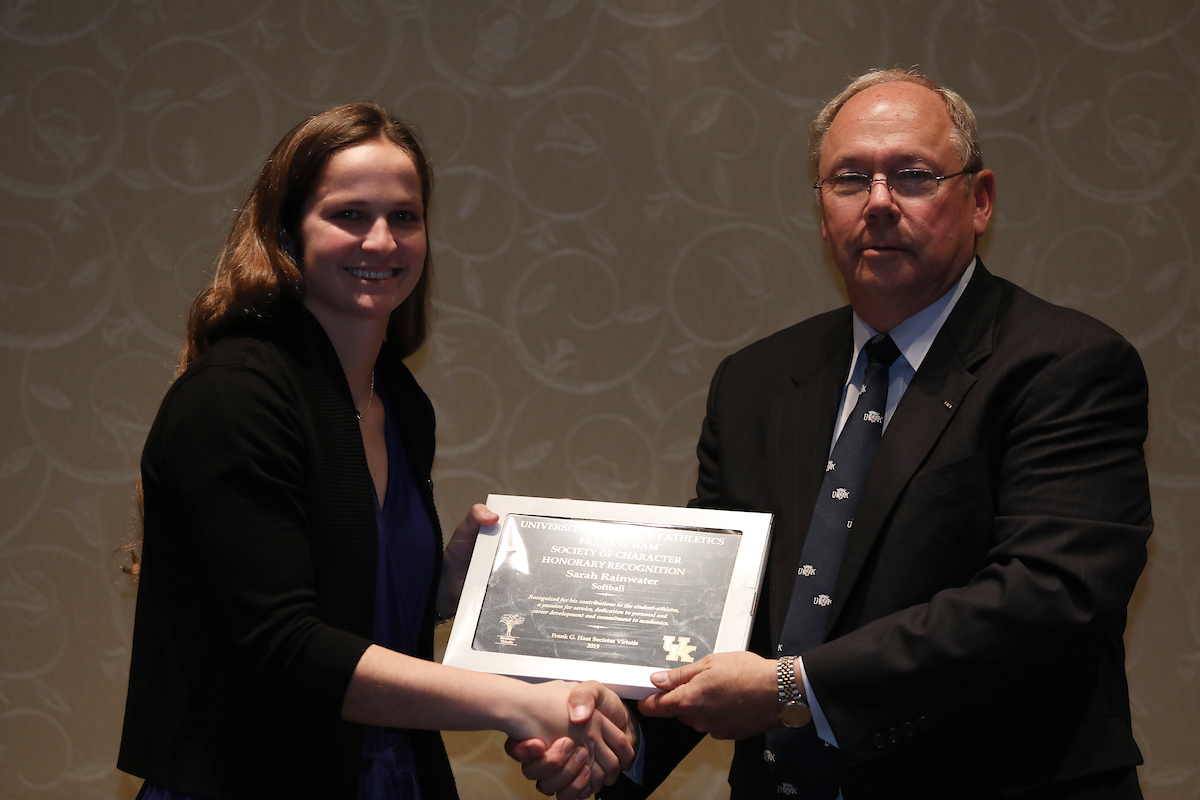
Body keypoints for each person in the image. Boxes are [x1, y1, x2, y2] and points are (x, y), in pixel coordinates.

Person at [512, 69, 1152, 798]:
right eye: (849, 179)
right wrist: (617, 747)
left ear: (979, 201)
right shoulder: (755, 382)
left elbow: (1050, 598)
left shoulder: (1066, 364)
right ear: (821, 211)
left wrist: (794, 688)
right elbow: (721, 614)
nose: (878, 202)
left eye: (912, 175)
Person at [117, 102, 634, 800]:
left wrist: (445, 589)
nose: (383, 241)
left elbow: (351, 608)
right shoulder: (235, 396)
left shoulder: (398, 402)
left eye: (406, 217)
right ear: (286, 233)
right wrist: (516, 700)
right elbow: (287, 649)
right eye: (349, 215)